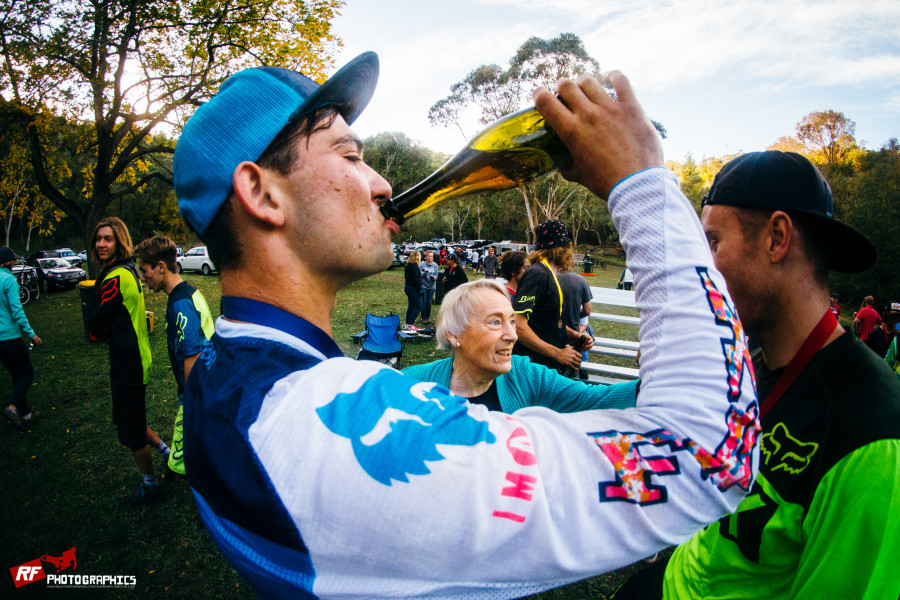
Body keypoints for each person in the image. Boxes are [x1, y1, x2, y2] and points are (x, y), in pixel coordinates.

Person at [174, 54, 759, 598]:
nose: (380, 184)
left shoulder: (217, 376)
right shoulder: (319, 430)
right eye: (350, 156)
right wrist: (642, 184)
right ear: (260, 192)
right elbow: (713, 451)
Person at [614, 150, 900, 599]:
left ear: (777, 237)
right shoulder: (754, 366)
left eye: (712, 244)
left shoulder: (872, 437)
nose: (701, 267)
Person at [402, 279, 636, 411]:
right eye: (495, 322)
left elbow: (595, 399)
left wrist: (660, 381)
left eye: (512, 321)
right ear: (454, 334)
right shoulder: (410, 384)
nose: (512, 335)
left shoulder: (525, 375)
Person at [88, 217, 169, 504]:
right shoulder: (128, 271)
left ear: (119, 241)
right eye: (98, 239)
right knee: (134, 418)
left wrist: (98, 325)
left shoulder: (115, 277)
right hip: (135, 357)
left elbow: (96, 324)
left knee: (131, 428)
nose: (100, 244)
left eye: (107, 239)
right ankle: (169, 454)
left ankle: (150, 484)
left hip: (128, 362)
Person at [133, 236, 215, 476]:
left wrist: (190, 402)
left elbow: (193, 354)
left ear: (161, 267)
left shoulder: (181, 303)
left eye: (144, 270)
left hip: (198, 393)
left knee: (178, 465)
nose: (142, 277)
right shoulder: (190, 291)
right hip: (207, 387)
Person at [512, 219, 592, 374]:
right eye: (568, 245)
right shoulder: (537, 273)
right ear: (561, 248)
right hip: (533, 369)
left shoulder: (549, 273)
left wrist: (574, 334)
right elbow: (518, 326)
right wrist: (557, 353)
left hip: (546, 367)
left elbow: (546, 321)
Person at [0, 247, 42, 431]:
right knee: (27, 373)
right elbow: (16, 311)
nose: (15, 263)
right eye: (13, 261)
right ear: (8, 263)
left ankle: (25, 414)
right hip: (10, 337)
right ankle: (12, 407)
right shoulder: (9, 280)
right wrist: (31, 333)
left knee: (17, 374)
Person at [403, 250, 422, 331]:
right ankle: (410, 323)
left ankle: (407, 324)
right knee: (419, 306)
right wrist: (420, 290)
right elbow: (415, 279)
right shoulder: (414, 266)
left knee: (411, 306)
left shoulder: (408, 265)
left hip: (408, 287)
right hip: (413, 288)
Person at [419, 250, 438, 324]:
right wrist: (424, 273)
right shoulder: (422, 265)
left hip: (432, 286)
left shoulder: (435, 265)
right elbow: (419, 274)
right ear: (425, 257)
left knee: (429, 302)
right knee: (424, 301)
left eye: (431, 256)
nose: (430, 258)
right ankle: (423, 317)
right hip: (424, 286)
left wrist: (433, 277)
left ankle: (427, 317)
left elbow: (437, 275)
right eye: (428, 256)